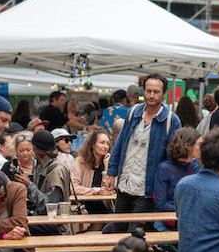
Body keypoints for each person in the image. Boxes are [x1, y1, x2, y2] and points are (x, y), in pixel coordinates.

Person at [104, 73, 181, 232]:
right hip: (124, 184)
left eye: (156, 92)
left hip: (147, 189)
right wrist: (111, 173)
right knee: (118, 232)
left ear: (164, 93)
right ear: (143, 91)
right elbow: (120, 144)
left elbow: (173, 161)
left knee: (136, 237)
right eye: (148, 91)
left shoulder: (171, 120)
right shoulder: (133, 112)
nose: (151, 95)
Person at [153, 128, 201, 231]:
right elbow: (161, 204)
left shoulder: (195, 167)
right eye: (199, 145)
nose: (202, 148)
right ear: (187, 145)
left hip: (189, 221)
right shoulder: (164, 168)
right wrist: (187, 208)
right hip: (166, 222)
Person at [30, 130, 74, 235]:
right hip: (44, 220)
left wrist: (29, 186)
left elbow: (49, 206)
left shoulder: (56, 171)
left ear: (36, 149)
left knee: (21, 227)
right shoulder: (40, 167)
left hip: (57, 225)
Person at [71, 131, 113, 216]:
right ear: (93, 145)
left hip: (104, 205)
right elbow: (73, 188)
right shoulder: (80, 161)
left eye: (107, 144)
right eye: (102, 143)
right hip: (84, 204)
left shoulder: (108, 161)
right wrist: (95, 191)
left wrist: (106, 168)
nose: (105, 146)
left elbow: (109, 190)